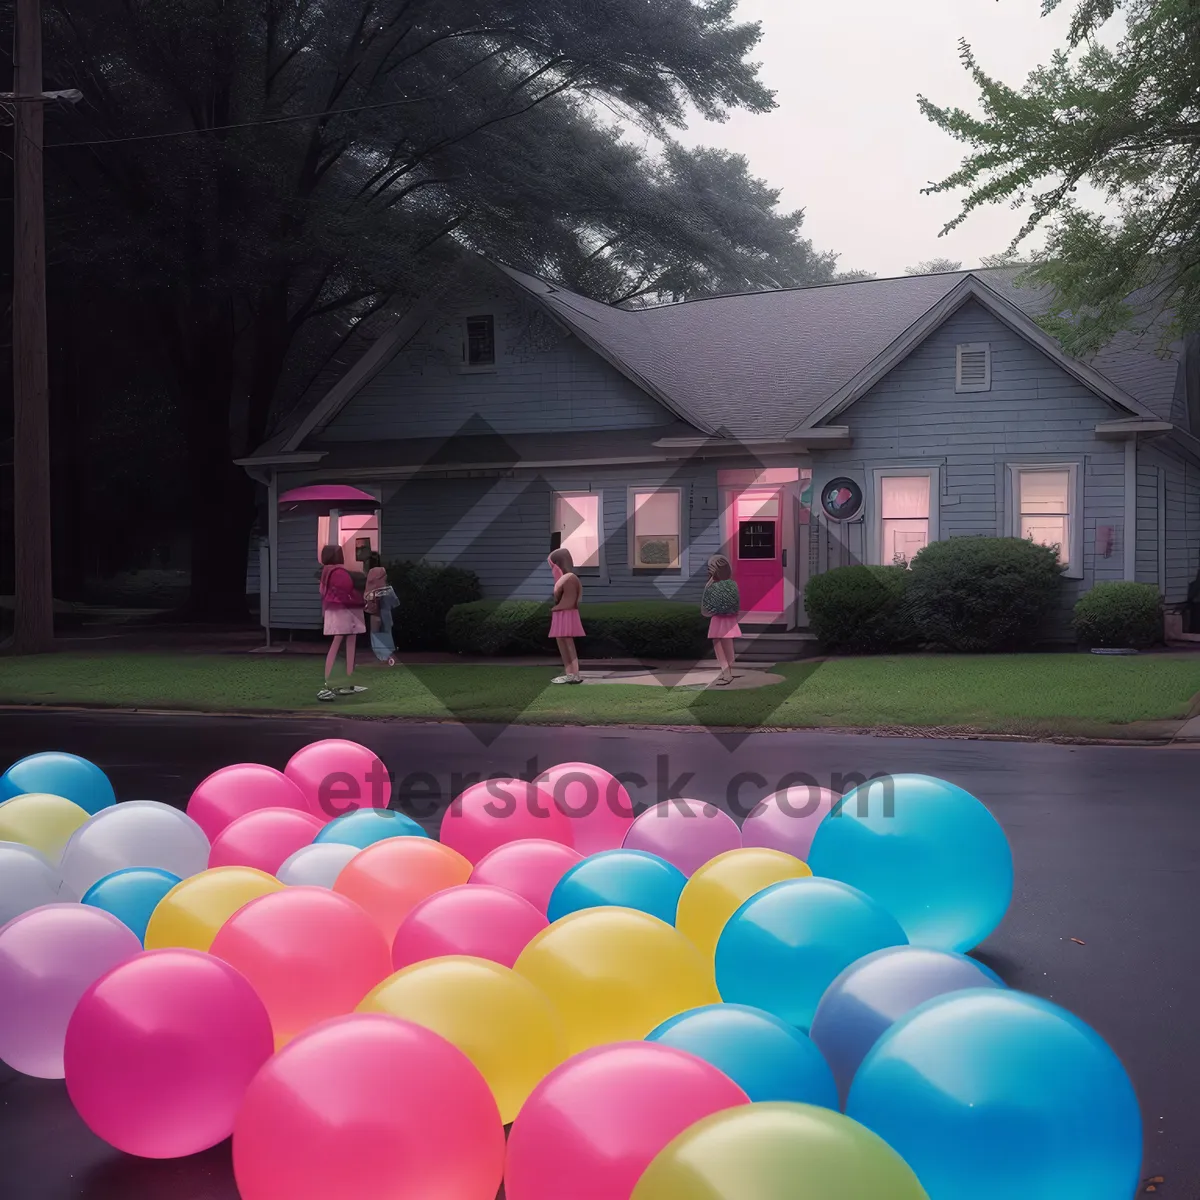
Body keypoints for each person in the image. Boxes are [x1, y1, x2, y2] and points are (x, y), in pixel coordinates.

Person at [318, 544, 368, 702]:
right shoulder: (338, 572)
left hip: (336, 609)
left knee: (345, 642)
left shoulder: (326, 572)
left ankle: (345, 682)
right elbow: (347, 588)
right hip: (345, 610)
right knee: (342, 643)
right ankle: (333, 682)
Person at [701, 554, 741, 685]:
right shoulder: (733, 584)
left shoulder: (711, 586)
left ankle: (726, 673)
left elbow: (705, 609)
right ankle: (730, 670)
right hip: (730, 619)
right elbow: (736, 604)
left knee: (718, 644)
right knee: (728, 644)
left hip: (718, 619)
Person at [548, 547, 585, 684]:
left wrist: (557, 606)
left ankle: (574, 673)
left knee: (567, 641)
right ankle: (570, 673)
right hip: (562, 612)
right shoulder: (568, 578)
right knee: (563, 641)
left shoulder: (568, 578)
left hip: (565, 612)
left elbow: (563, 597)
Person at [364, 559, 398, 667]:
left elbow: (366, 605)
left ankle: (380, 657)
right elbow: (395, 602)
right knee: (386, 635)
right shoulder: (388, 590)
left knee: (375, 636)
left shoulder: (369, 591)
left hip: (374, 616)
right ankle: (387, 657)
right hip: (386, 615)